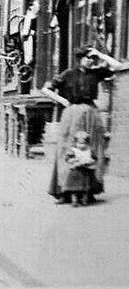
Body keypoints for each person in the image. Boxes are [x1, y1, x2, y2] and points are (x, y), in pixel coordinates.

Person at [41, 47, 128, 204]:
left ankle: (89, 190)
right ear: (80, 59)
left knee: (93, 149)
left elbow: (118, 67)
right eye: (87, 58)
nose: (90, 61)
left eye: (92, 58)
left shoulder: (96, 73)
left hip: (91, 114)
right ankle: (64, 191)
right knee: (67, 148)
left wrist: (100, 54)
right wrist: (62, 101)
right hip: (72, 114)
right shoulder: (68, 74)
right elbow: (45, 89)